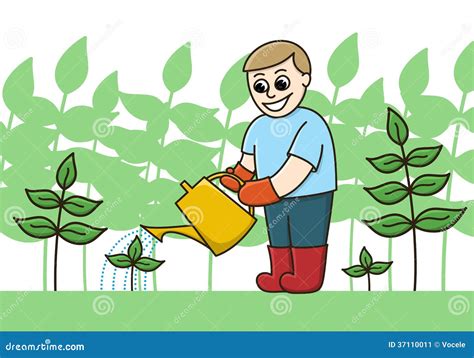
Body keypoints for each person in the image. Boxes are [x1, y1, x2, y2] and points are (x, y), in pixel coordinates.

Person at [221, 40, 337, 293]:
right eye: (260, 86)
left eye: (281, 83)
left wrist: (266, 190)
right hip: (270, 195)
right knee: (279, 236)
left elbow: (298, 168)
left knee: (306, 235)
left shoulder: (311, 123)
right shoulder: (257, 126)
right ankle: (281, 274)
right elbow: (248, 160)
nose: (271, 94)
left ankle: (308, 278)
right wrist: (239, 176)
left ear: (304, 79)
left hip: (309, 196)